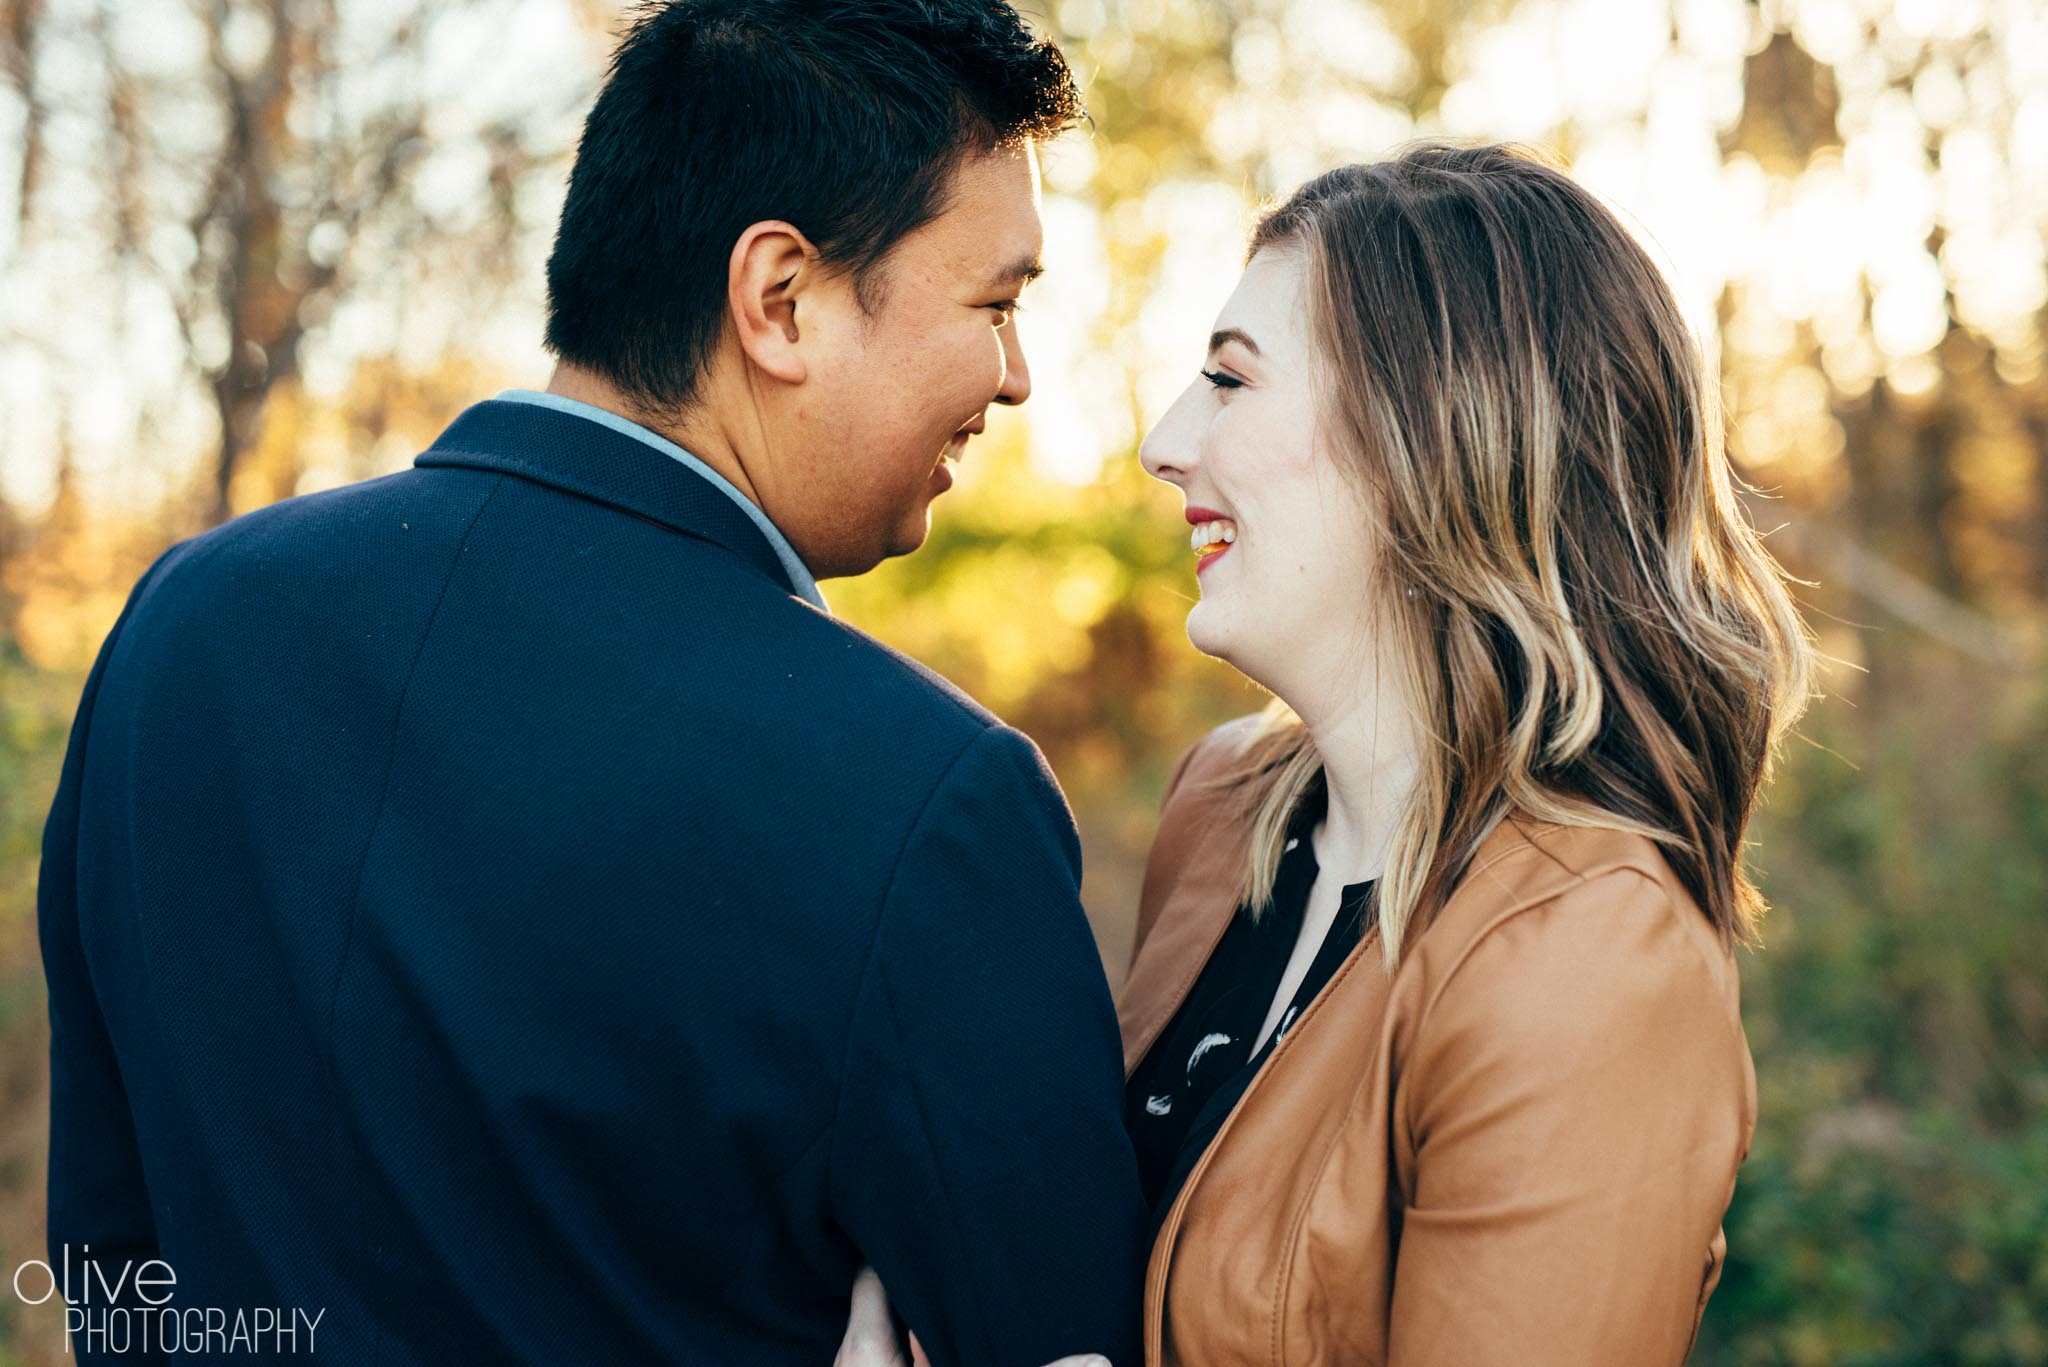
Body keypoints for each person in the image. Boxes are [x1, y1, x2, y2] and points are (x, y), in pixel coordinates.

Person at [36, 2, 1146, 1362]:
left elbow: (113, 1266)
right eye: (997, 302)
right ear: (781, 300)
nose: (1016, 376)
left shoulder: (184, 627)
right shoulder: (928, 801)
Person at [1119, 143, 1815, 1365]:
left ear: (1425, 436)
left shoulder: (1588, 957)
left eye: (1227, 382)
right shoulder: (1219, 804)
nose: (1165, 443)